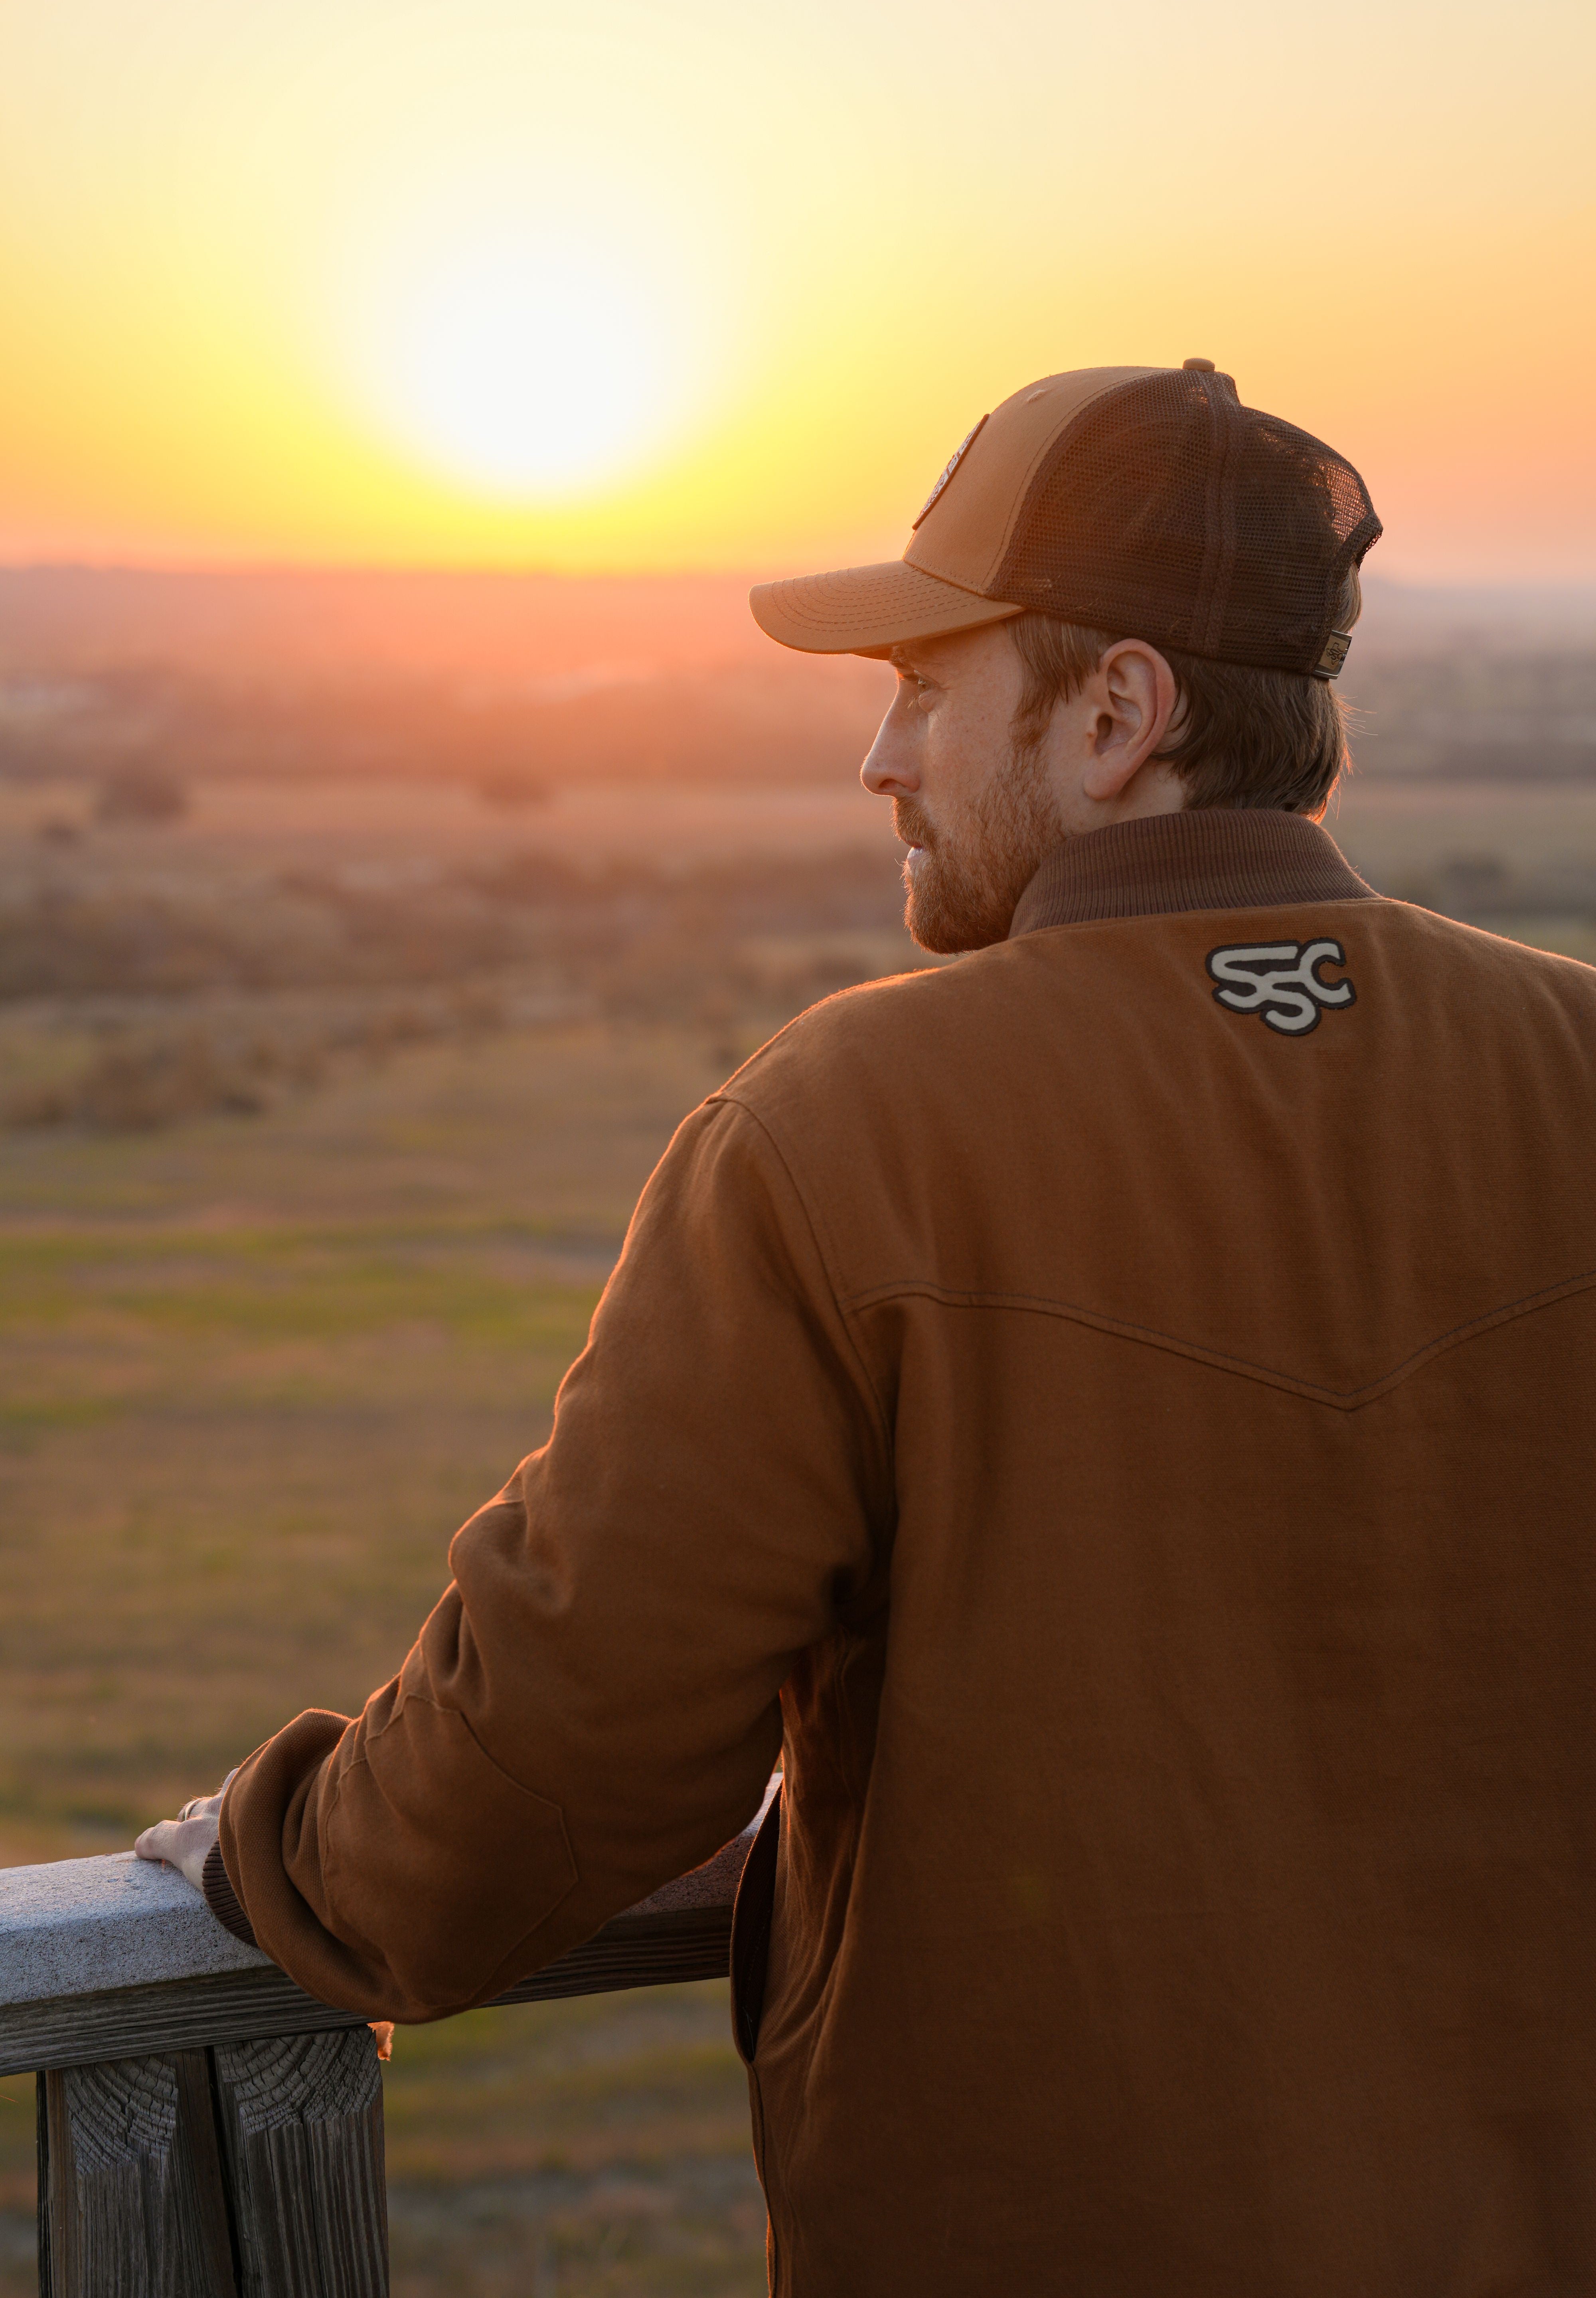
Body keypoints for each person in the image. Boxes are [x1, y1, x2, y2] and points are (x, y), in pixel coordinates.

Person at [139, 362, 1596, 2296]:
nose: (880, 761)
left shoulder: (845, 1133)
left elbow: (561, 1755)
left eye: (925, 684)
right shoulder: (1571, 1067)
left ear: (1117, 713)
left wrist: (268, 1861)